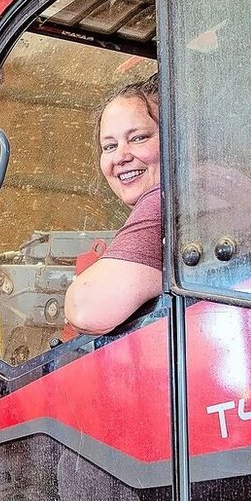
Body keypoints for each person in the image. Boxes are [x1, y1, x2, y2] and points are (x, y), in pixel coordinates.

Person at [63, 74, 164, 336]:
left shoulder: (170, 199)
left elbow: (87, 308)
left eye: (138, 138)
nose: (120, 157)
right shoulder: (216, 182)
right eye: (109, 146)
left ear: (176, 136)